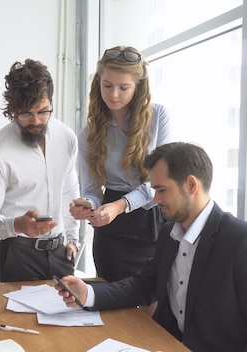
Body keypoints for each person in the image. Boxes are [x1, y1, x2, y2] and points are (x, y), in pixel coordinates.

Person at [56, 142, 247, 352]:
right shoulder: (168, 233)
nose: (155, 199)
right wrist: (88, 294)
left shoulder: (245, 243)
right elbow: (144, 284)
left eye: (161, 190)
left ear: (191, 185)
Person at [71, 45, 172, 283]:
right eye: (107, 85)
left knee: (155, 308)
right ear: (98, 83)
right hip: (112, 232)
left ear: (138, 87)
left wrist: (120, 205)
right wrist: (86, 205)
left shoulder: (158, 117)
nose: (113, 94)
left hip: (154, 221)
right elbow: (92, 191)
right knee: (114, 309)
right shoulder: (88, 135)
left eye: (123, 87)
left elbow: (162, 181)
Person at [0, 59, 80, 282]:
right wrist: (16, 225)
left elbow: (69, 190)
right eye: (25, 113)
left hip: (62, 252)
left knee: (66, 315)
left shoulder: (66, 137)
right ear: (12, 109)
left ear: (51, 100)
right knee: (19, 318)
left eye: (43, 111)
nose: (35, 121)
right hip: (17, 253)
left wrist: (73, 238)